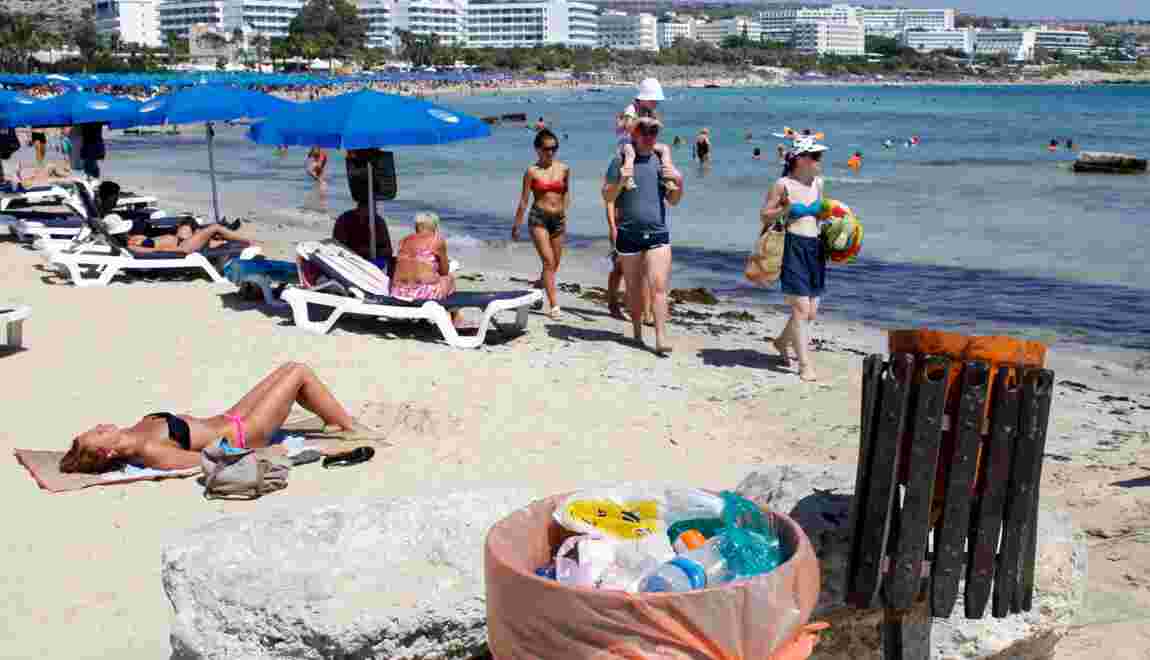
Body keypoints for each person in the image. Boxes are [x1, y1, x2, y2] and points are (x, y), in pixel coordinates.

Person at [59, 362, 366, 473]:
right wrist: (269, 452)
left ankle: (335, 420)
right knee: (299, 372)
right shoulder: (150, 452)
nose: (99, 426)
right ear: (108, 452)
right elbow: (208, 458)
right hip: (248, 432)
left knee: (289, 368)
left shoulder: (132, 431)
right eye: (97, 434)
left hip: (232, 416)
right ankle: (350, 429)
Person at [602, 115, 685, 355]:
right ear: (634, 134)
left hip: (658, 234)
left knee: (658, 286)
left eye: (653, 132)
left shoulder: (661, 161)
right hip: (628, 234)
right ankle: (637, 331)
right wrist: (622, 179)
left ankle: (660, 338)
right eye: (644, 131)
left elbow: (673, 200)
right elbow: (607, 196)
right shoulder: (619, 159)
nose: (649, 137)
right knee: (634, 288)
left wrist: (679, 182)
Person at [761, 136, 829, 382]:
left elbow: (819, 216)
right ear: (801, 159)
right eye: (816, 156)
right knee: (801, 308)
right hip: (793, 246)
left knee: (810, 312)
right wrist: (784, 210)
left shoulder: (818, 183)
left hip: (816, 248)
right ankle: (804, 365)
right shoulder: (782, 185)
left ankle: (781, 342)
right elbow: (765, 216)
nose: (820, 160)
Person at [512, 128, 569, 318]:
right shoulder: (531, 171)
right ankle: (554, 306)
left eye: (554, 148)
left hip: (558, 220)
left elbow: (565, 192)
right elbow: (523, 200)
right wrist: (517, 225)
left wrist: (565, 212)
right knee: (549, 261)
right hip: (539, 219)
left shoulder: (564, 168)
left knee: (554, 265)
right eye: (546, 148)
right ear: (537, 149)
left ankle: (536, 290)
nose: (550, 152)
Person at [615, 78, 678, 193]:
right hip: (627, 141)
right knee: (630, 152)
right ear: (644, 98)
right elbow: (628, 127)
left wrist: (655, 122)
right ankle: (628, 176)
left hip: (642, 141)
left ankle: (667, 176)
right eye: (653, 100)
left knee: (665, 149)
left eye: (656, 100)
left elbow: (656, 127)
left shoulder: (649, 110)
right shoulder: (631, 109)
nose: (656, 103)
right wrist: (640, 120)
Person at [390, 212, 457, 307]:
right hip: (422, 295)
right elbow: (444, 272)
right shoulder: (437, 241)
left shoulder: (403, 240)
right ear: (435, 227)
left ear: (416, 226)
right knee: (449, 279)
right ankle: (454, 315)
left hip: (397, 292)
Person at [126, 219, 253, 254]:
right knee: (214, 227)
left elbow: (153, 244)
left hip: (181, 240)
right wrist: (176, 251)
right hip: (182, 246)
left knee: (188, 221)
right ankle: (247, 241)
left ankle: (224, 234)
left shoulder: (133, 241)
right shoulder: (134, 247)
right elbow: (157, 250)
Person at [333, 199, 393, 268]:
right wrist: (357, 252)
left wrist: (372, 252)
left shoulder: (378, 221)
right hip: (349, 260)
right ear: (359, 207)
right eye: (371, 208)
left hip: (373, 260)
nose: (375, 211)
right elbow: (337, 245)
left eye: (375, 208)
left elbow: (388, 250)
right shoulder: (344, 219)